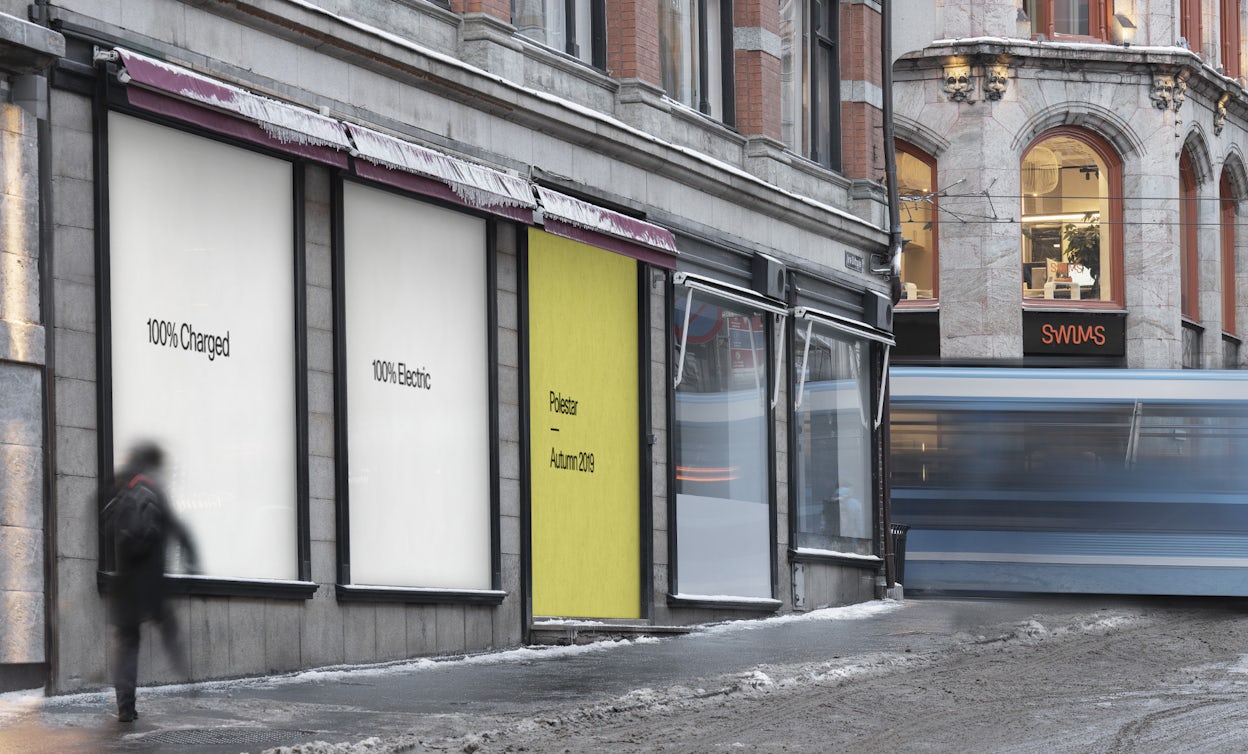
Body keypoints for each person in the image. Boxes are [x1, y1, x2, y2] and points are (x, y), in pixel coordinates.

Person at [103, 441, 198, 723]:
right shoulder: (154, 489)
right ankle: (189, 682)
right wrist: (190, 558)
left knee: (127, 644)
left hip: (125, 583)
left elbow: (105, 525)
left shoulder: (121, 488)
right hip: (151, 581)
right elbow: (178, 527)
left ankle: (125, 707)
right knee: (169, 631)